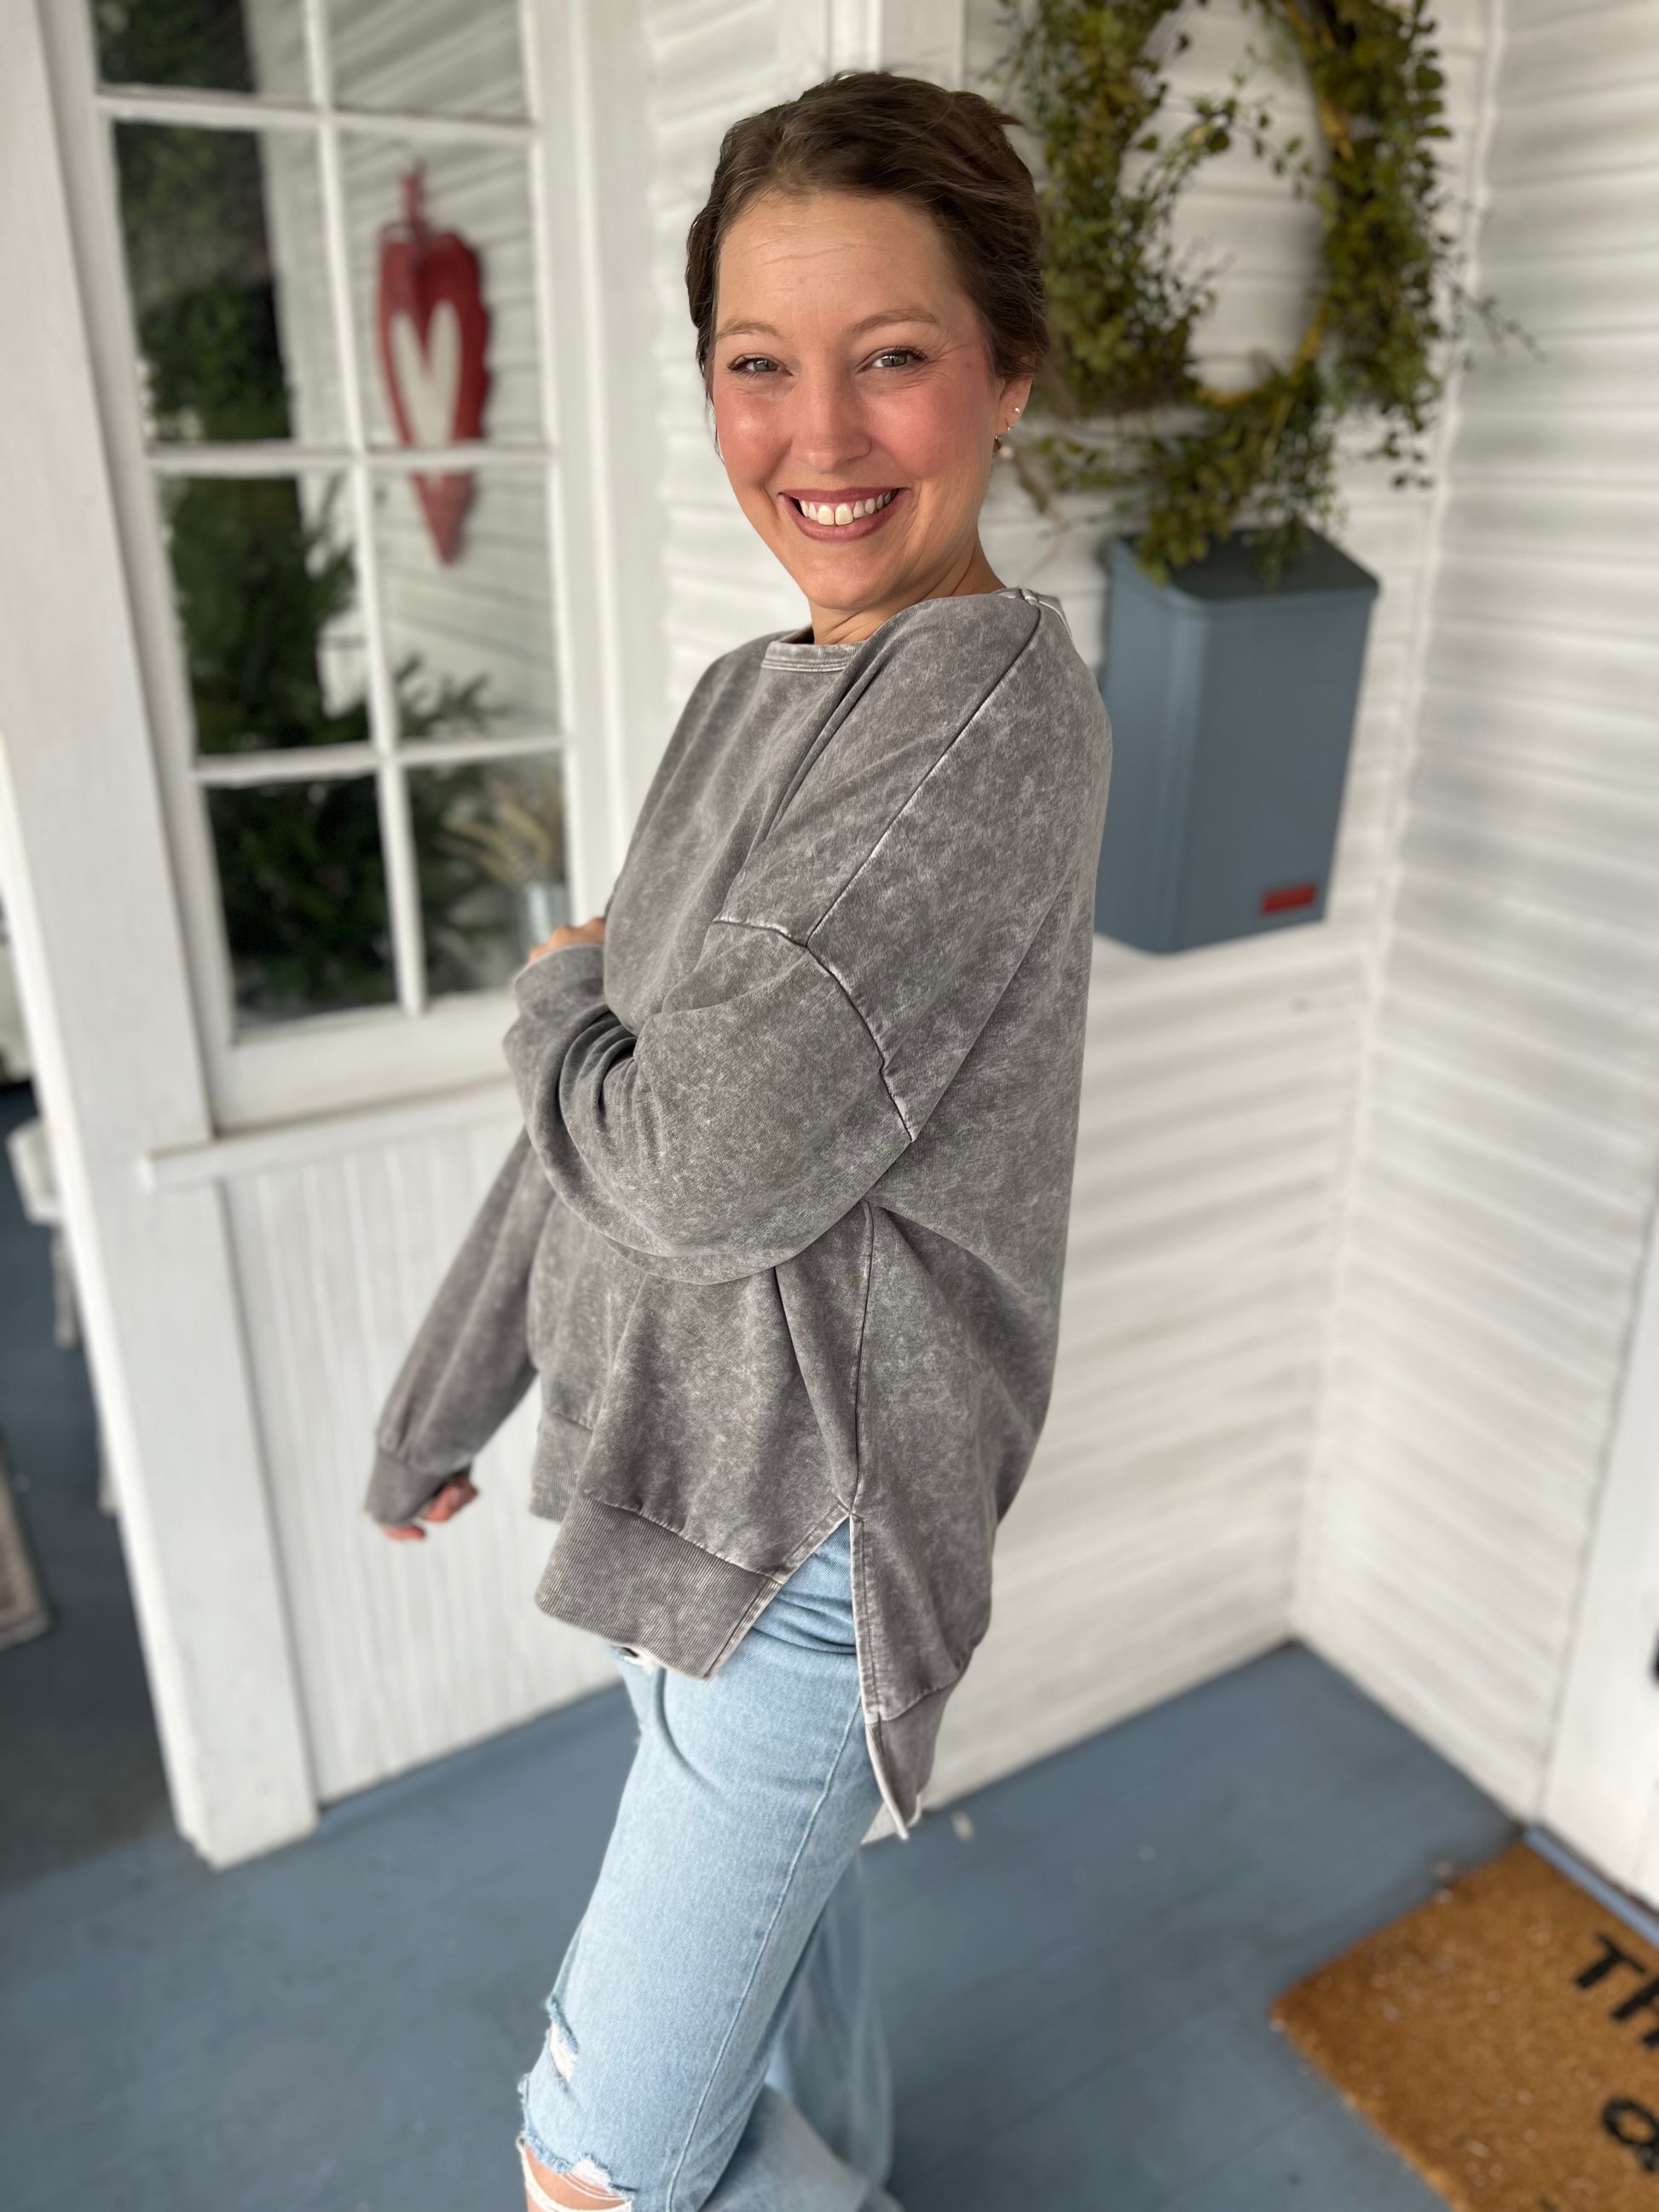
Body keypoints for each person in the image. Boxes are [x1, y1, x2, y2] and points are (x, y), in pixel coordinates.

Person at [366, 70, 1110, 2212]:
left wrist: (555, 995)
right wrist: (443, 1397)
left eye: (893, 357)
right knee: (787, 1995)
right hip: (668, 1487)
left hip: (804, 1535)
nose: (819, 434)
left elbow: (682, 1154)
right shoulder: (739, 695)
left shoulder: (978, 723)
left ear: (1006, 373)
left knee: (598, 2169)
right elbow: (594, 1131)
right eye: (757, 364)